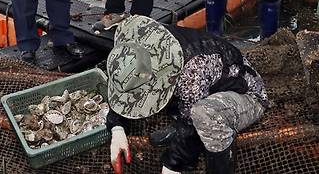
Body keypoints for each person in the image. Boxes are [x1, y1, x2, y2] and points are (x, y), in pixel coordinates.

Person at [106, 15, 268, 174]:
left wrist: (173, 164)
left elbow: (191, 119)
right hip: (199, 89)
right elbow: (124, 83)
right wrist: (117, 127)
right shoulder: (138, 44)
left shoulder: (192, 69)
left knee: (204, 114)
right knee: (185, 109)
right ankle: (178, 129)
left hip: (246, 96)